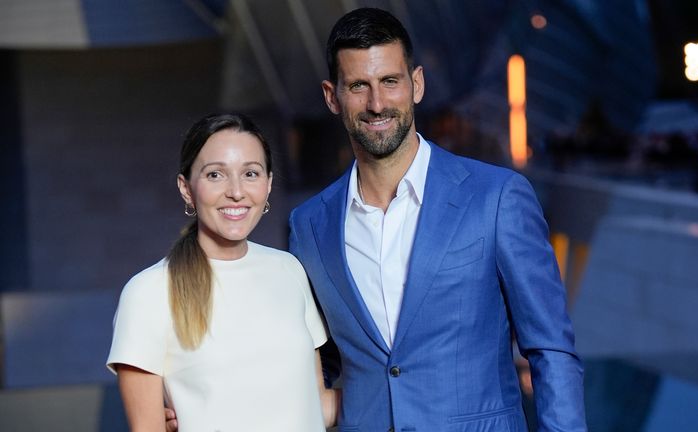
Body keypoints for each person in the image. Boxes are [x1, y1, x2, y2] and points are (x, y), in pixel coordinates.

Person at [288, 8, 586, 431]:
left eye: (390, 81)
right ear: (331, 96)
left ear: (417, 84)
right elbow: (322, 357)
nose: (376, 104)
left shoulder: (496, 197)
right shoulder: (309, 225)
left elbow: (551, 348)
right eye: (358, 86)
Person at [107, 113, 338, 431]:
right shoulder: (148, 292)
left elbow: (318, 405)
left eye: (251, 173)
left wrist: (402, 387)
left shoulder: (289, 270)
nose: (236, 191)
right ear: (186, 188)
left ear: (269, 183)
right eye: (216, 175)